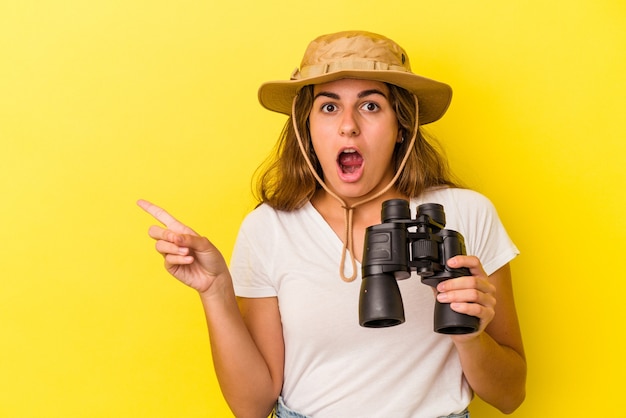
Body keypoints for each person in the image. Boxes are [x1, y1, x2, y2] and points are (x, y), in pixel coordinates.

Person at [138, 30, 526, 418]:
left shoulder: (466, 214)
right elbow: (252, 407)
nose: (348, 126)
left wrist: (470, 336)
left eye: (371, 106)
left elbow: (510, 396)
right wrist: (216, 292)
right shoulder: (269, 228)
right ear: (305, 127)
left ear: (402, 126)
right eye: (328, 107)